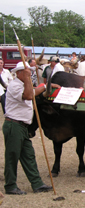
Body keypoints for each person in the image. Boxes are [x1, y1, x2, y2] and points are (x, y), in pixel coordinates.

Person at [3, 62, 60, 195]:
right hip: (14, 125)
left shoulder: (23, 85)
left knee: (29, 155)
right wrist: (29, 79)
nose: (31, 74)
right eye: (27, 72)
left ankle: (37, 183)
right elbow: (29, 95)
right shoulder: (15, 85)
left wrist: (46, 86)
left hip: (22, 127)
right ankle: (10, 185)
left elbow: (34, 91)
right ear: (19, 73)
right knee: (12, 155)